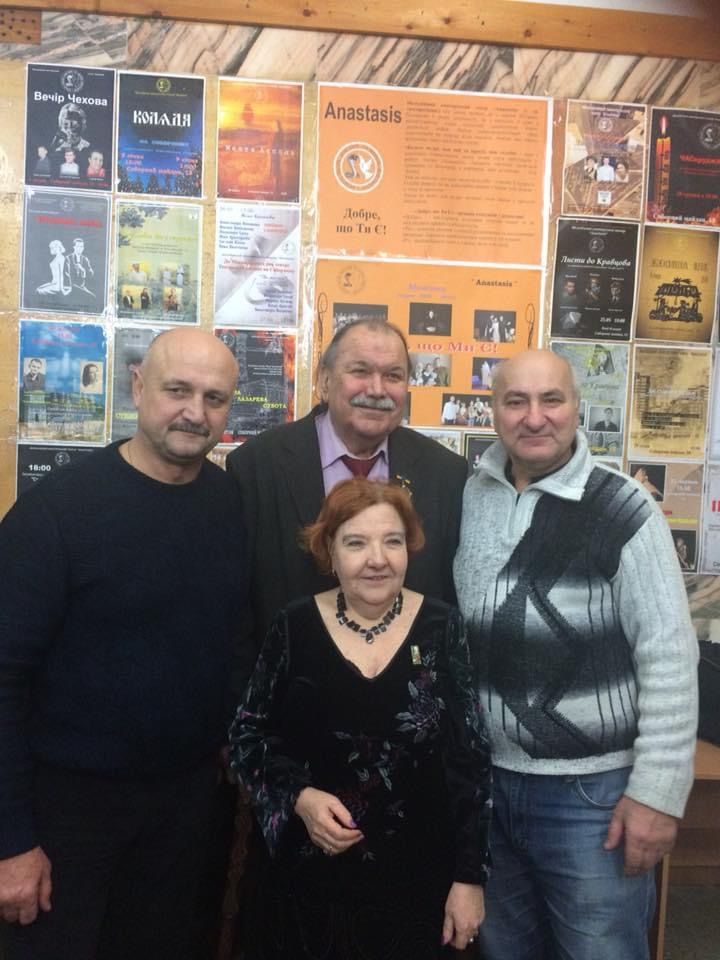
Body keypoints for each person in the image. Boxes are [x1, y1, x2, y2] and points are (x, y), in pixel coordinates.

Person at [0, 328, 248, 960]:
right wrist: (10, 841)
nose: (195, 412)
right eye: (177, 390)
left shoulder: (229, 505)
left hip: (184, 810)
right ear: (137, 388)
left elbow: (224, 639)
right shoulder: (56, 513)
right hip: (65, 814)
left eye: (214, 398)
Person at [453, 349, 698, 960]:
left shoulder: (623, 506)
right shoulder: (471, 495)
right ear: (493, 411)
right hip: (489, 791)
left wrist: (658, 794)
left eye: (551, 400)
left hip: (592, 799)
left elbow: (669, 655)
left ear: (577, 408)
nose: (535, 417)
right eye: (516, 401)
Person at [229, 477, 491, 959]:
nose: (377, 559)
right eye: (356, 543)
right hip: (308, 884)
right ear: (329, 550)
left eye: (392, 541)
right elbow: (247, 735)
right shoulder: (294, 626)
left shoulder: (441, 626)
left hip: (419, 885)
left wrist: (469, 878)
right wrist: (299, 797)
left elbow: (469, 759)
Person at [226, 318, 468, 684]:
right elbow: (237, 606)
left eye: (393, 376)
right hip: (291, 694)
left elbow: (446, 600)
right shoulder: (257, 465)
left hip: (405, 697)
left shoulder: (445, 473)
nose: (377, 389)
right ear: (324, 381)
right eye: (360, 371)